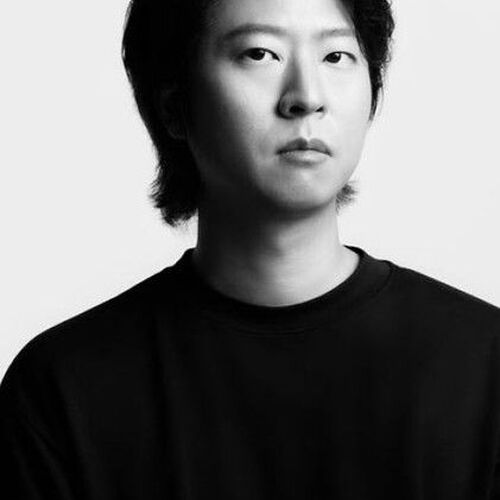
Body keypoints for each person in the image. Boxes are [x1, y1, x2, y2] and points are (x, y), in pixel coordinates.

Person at [1, 0, 499, 498]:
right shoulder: (63, 391)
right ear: (174, 104)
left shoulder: (483, 365)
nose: (307, 98)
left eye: (336, 56)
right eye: (260, 54)